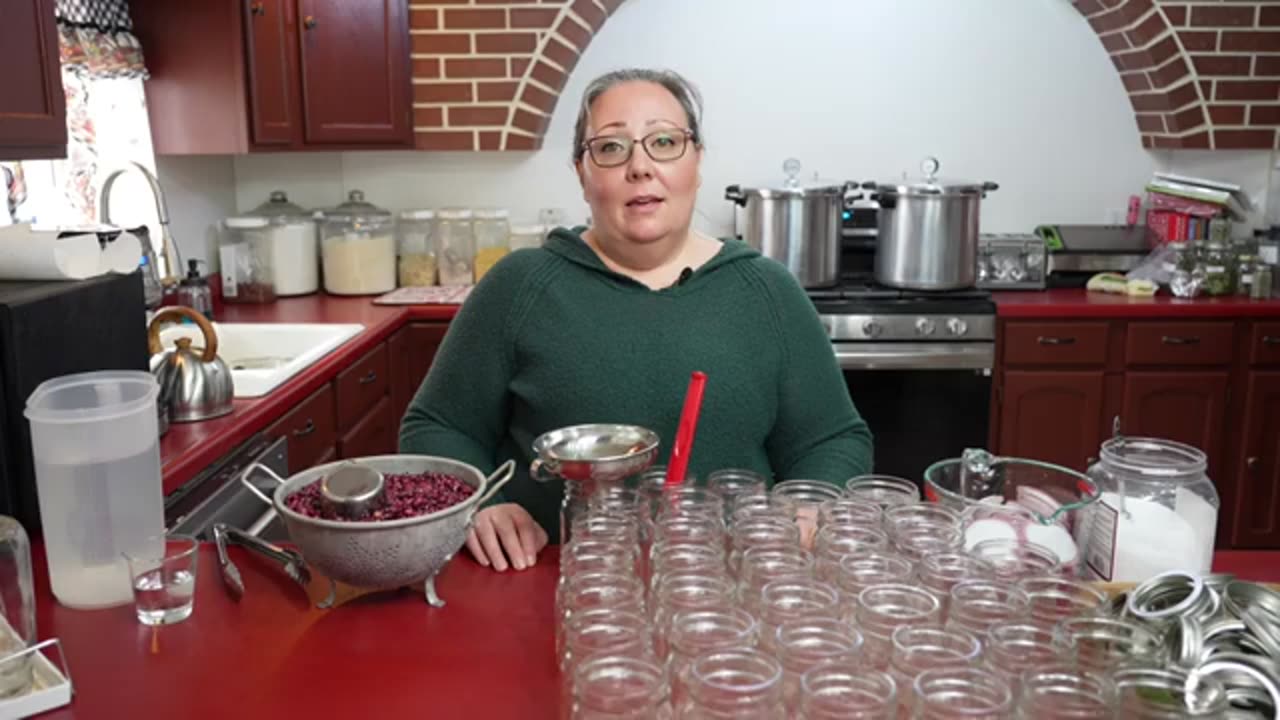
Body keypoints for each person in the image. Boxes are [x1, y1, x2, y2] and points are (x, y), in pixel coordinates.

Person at [399, 68, 872, 572]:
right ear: (581, 173)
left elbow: (833, 440)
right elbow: (436, 426)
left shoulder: (767, 292)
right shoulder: (520, 286)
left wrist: (811, 505)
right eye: (610, 148)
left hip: (732, 588)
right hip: (553, 587)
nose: (640, 167)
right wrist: (480, 503)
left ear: (698, 161)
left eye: (664, 142)